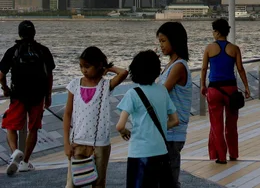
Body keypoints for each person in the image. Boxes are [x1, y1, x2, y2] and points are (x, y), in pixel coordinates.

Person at [64, 47, 128, 188]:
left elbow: (123, 73)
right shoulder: (75, 84)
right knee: (72, 183)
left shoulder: (105, 85)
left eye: (87, 66)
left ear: (99, 65)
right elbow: (67, 114)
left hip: (100, 143)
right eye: (81, 66)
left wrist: (107, 68)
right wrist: (66, 143)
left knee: (98, 183)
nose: (83, 70)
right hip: (77, 142)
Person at [116, 50, 179, 187]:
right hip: (161, 151)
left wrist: (124, 132)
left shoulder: (132, 94)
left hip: (139, 153)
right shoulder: (162, 90)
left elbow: (120, 125)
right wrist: (160, 127)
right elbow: (175, 120)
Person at [0, 21, 55, 176]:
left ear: (19, 33)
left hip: (18, 96)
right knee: (33, 128)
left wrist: (5, 89)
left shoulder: (13, 50)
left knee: (10, 125)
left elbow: (1, 75)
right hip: (38, 95)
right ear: (34, 33)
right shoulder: (43, 51)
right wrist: (48, 95)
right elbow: (49, 75)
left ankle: (14, 153)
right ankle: (25, 162)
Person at [200, 19, 251, 163]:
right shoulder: (234, 48)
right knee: (231, 124)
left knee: (216, 124)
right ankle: (233, 154)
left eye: (213, 31)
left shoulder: (209, 48)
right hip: (231, 90)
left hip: (214, 89)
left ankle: (221, 157)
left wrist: (203, 85)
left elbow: (204, 68)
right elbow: (240, 69)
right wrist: (246, 87)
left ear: (216, 31)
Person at [157, 22, 193, 187]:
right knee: (165, 177)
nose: (161, 45)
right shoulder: (170, 65)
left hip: (173, 131)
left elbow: (161, 93)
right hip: (167, 129)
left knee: (169, 179)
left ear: (174, 40)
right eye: (160, 41)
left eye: (163, 41)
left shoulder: (178, 66)